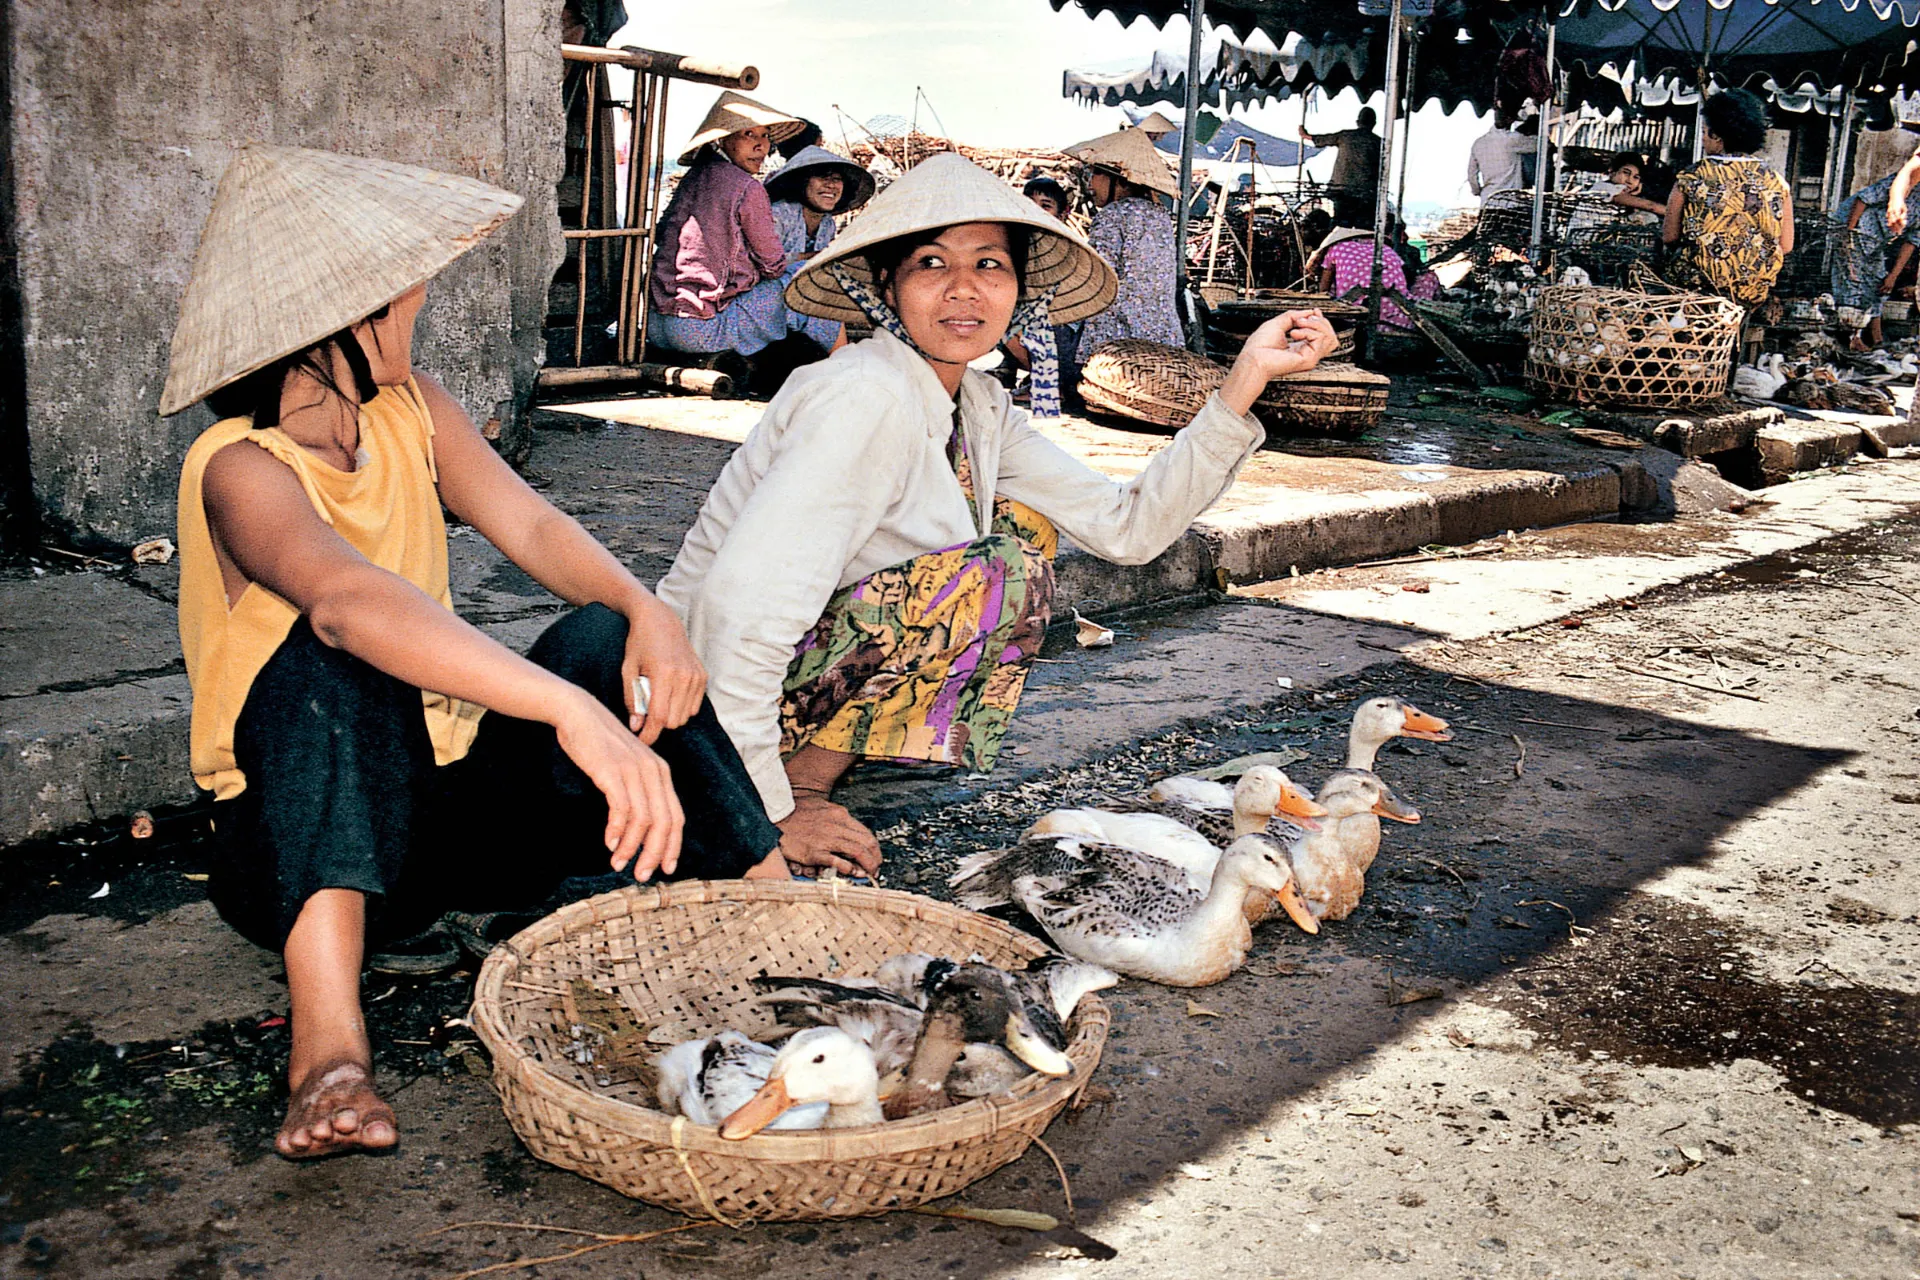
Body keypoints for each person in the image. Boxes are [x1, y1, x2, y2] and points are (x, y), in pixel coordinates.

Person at [161, 146, 785, 1160]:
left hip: (440, 830)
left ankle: (772, 893)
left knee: (597, 636)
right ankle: (328, 1052)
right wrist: (567, 711)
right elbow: (348, 602)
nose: (418, 302)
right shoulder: (239, 467)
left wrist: (642, 608)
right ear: (337, 320)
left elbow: (534, 530)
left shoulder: (411, 410)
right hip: (291, 845)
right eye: (400, 291)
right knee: (338, 659)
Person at [655, 153, 1339, 874]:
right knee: (997, 572)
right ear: (887, 286)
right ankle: (799, 782)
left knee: (1022, 535)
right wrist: (768, 814)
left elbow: (1126, 528)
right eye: (930, 264)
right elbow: (737, 614)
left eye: (990, 265)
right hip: (691, 708)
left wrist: (1245, 380)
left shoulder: (977, 404)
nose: (963, 290)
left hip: (771, 687)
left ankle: (811, 767)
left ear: (1019, 291)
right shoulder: (864, 394)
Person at [648, 91, 842, 359]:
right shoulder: (746, 187)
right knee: (817, 280)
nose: (761, 146)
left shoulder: (692, 179)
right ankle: (844, 367)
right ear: (721, 140)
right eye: (748, 135)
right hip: (702, 327)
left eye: (764, 136)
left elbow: (662, 234)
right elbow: (773, 266)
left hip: (657, 325)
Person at [1663, 89, 1794, 309]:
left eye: (1704, 132)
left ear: (1717, 136)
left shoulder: (1692, 177)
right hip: (1751, 296)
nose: (1703, 139)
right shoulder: (1778, 183)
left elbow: (1669, 236)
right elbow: (1786, 245)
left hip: (1696, 291)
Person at [1065, 126, 1185, 356]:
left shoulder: (1112, 216)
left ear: (1119, 179)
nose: (1090, 184)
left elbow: (1097, 277)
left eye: (1096, 174)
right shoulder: (1159, 215)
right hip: (1163, 334)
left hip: (1118, 338)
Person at [1830, 156, 1920, 350]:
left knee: (1879, 283)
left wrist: (1893, 276)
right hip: (1856, 227)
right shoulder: (1907, 183)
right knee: (1852, 281)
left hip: (1877, 242)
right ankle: (1852, 339)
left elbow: (1912, 242)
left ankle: (1876, 338)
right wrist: (1849, 236)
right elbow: (1863, 199)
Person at [763, 144, 875, 265]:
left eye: (836, 179)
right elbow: (764, 263)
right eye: (822, 177)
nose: (830, 185)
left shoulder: (827, 224)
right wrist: (812, 256)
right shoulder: (778, 215)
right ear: (802, 182)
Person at [1312, 225, 1416, 332]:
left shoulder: (1337, 248)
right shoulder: (1387, 249)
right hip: (1399, 321)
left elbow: (1323, 292)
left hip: (1354, 320)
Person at [1301, 107, 1382, 226]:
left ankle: (1340, 244)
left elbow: (1321, 139)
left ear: (1357, 122)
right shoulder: (1379, 142)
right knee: (1363, 229)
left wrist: (1305, 135)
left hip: (1342, 190)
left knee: (1341, 226)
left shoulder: (1345, 136)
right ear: (1374, 124)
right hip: (1367, 193)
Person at [1467, 114, 1531, 201]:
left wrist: (1478, 191)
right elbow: (1539, 145)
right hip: (1509, 202)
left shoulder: (1479, 143)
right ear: (1510, 120)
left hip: (1488, 201)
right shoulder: (1513, 139)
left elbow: (1471, 176)